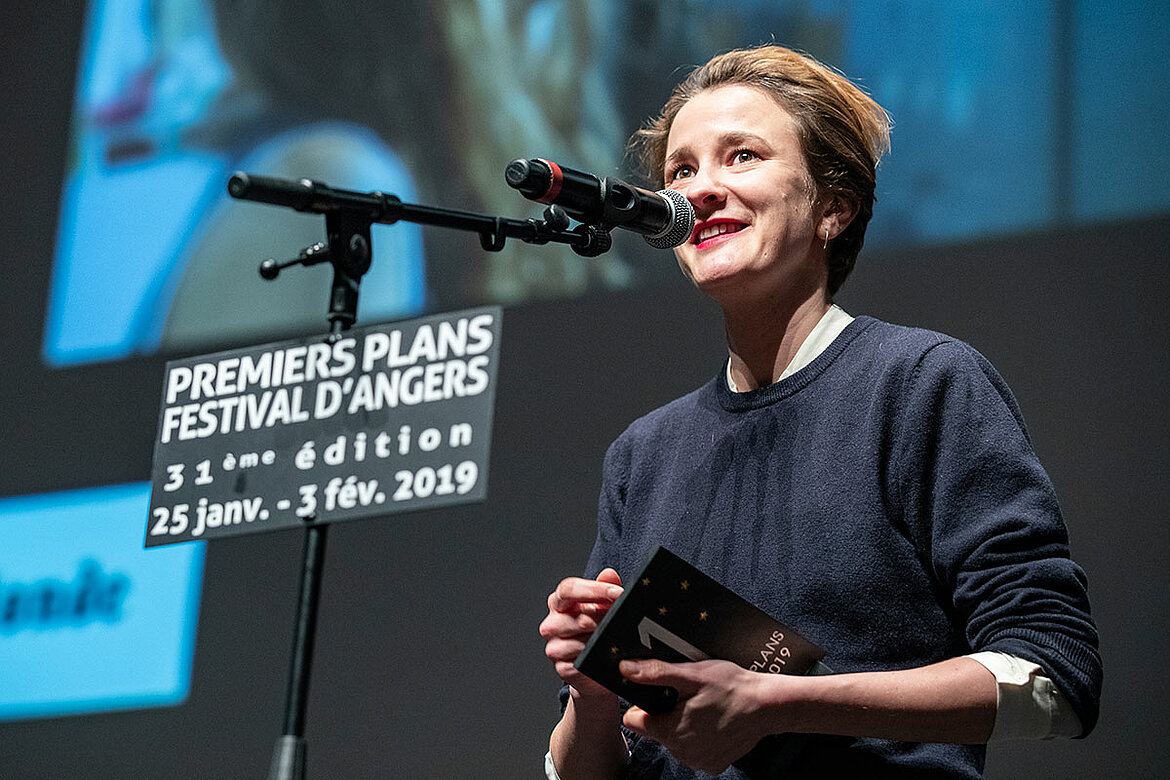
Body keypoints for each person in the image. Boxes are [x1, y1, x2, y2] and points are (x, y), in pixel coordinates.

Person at [538, 45, 1101, 779]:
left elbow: (1056, 675)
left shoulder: (923, 383)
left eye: (741, 156)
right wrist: (591, 694)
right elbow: (589, 770)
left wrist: (784, 703)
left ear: (834, 206)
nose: (700, 190)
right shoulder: (642, 455)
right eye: (682, 170)